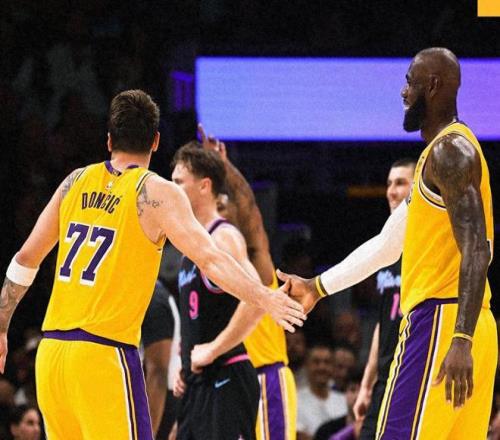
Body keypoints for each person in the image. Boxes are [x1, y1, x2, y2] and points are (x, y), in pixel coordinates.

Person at [0, 90, 305, 440]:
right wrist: (265, 298)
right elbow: (211, 258)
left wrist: (2, 325)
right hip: (104, 354)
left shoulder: (74, 182)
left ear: (109, 140)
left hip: (52, 355)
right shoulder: (155, 191)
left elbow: (25, 260)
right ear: (156, 141)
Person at [279, 48, 496, 439]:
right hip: (471, 323)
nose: (403, 92)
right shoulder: (440, 156)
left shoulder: (450, 151)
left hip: (443, 322)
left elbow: (478, 249)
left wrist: (460, 338)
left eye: (410, 82)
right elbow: (386, 245)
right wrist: (317, 287)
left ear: (432, 85)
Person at [198, 126, 298, 440]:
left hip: (265, 377)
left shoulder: (255, 258)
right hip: (227, 383)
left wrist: (223, 166)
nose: (216, 216)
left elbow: (250, 209)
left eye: (222, 208)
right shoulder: (204, 266)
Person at [171, 142, 266, 440]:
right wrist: (185, 366)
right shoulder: (190, 246)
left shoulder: (223, 237)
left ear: (204, 186)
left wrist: (213, 349)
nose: (172, 190)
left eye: (179, 183)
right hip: (198, 384)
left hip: (227, 376)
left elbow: (258, 301)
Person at [353, 159, 416, 439]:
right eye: (389, 183)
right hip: (385, 377)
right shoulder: (387, 250)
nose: (391, 191)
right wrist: (367, 385)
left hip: (415, 374)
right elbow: (383, 323)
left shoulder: (428, 246)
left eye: (400, 183)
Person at [141, 278, 180, 439]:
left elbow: (158, 373)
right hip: (152, 395)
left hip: (162, 401)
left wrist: (147, 434)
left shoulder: (154, 300)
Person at [297, 344, 347, 440]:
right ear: (307, 366)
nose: (322, 367)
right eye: (316, 362)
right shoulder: (295, 401)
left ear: (333, 367)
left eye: (327, 362)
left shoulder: (344, 400)